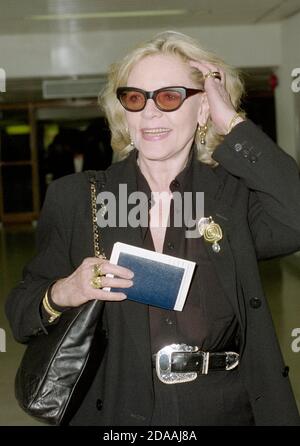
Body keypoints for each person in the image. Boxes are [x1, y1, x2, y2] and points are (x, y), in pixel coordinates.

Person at [6, 31, 300, 426]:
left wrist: (231, 120)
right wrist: (65, 291)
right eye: (135, 98)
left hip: (226, 406)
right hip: (117, 408)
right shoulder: (79, 198)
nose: (150, 113)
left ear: (202, 111)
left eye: (169, 96)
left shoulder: (232, 198)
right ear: (122, 112)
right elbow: (22, 313)